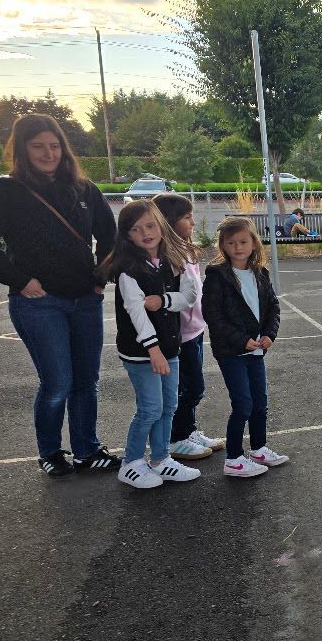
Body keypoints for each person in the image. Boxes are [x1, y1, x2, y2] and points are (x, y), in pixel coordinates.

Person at [0, 114, 121, 477]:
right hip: (38, 303)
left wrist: (101, 277)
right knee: (58, 383)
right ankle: (50, 452)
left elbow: (110, 236)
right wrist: (20, 281)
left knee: (86, 382)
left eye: (54, 146)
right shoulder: (6, 191)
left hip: (85, 300)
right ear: (22, 149)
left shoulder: (84, 189)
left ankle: (86, 450)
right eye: (38, 146)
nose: (48, 154)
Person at [100, 201, 202, 489]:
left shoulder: (173, 260)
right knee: (150, 409)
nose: (145, 233)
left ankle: (160, 458)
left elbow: (189, 297)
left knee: (169, 406)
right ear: (126, 234)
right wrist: (153, 351)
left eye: (150, 226)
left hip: (169, 348)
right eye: (136, 229)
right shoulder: (128, 271)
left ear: (161, 226)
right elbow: (137, 314)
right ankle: (131, 462)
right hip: (142, 352)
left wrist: (165, 300)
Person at [202, 217, 287, 477]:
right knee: (243, 404)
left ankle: (259, 449)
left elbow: (273, 307)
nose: (238, 247)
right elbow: (213, 315)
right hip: (232, 352)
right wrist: (241, 340)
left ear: (253, 243)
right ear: (223, 245)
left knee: (260, 402)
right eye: (231, 243)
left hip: (256, 351)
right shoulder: (217, 275)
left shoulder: (260, 273)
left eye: (243, 241)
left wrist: (270, 334)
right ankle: (234, 459)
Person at [153, 193, 226, 461]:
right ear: (169, 221)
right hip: (179, 335)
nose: (193, 222)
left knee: (193, 386)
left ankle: (188, 429)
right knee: (188, 388)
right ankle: (176, 438)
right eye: (186, 217)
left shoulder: (184, 249)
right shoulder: (166, 257)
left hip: (194, 330)